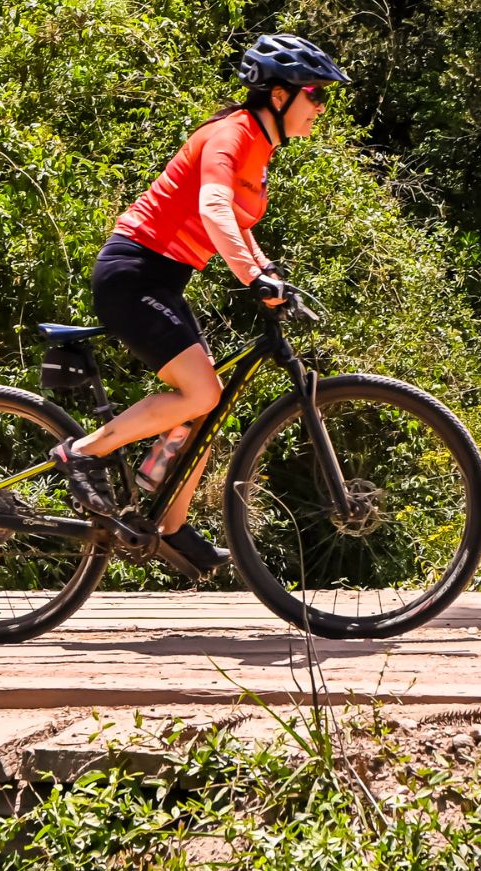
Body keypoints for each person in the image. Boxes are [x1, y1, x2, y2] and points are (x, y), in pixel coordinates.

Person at [51, 33, 350, 575]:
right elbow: (214, 208)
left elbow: (234, 223)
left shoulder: (259, 147)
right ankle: (82, 452)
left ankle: (170, 525)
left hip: (162, 279)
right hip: (133, 273)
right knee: (203, 389)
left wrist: (269, 271)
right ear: (279, 96)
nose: (322, 106)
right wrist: (253, 274)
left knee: (205, 405)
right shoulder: (230, 134)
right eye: (315, 93)